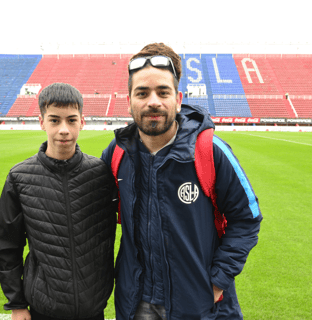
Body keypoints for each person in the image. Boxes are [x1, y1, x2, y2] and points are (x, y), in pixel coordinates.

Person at [101, 43, 263, 319]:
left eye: (163, 92)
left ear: (178, 99)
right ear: (129, 101)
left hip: (198, 305)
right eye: (142, 93)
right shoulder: (116, 155)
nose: (153, 101)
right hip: (135, 304)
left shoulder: (210, 151)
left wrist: (215, 282)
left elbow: (247, 219)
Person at [0, 83, 116, 320]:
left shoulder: (101, 174)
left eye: (71, 120)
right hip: (44, 309)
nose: (63, 129)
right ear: (41, 122)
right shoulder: (20, 178)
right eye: (54, 120)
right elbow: (8, 246)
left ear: (82, 121)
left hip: (94, 308)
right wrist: (17, 304)